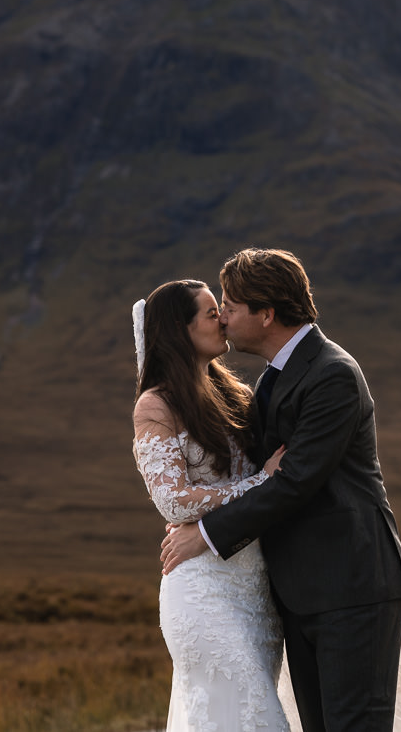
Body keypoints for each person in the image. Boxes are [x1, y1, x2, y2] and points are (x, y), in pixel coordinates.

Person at [160, 248, 401, 732]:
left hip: (351, 584)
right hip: (301, 590)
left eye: (231, 308)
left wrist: (205, 535)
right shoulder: (273, 379)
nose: (225, 319)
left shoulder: (332, 375)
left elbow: (295, 482)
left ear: (267, 313)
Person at [131, 278, 291, 732]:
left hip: (256, 592)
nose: (222, 318)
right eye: (209, 312)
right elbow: (174, 502)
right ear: (179, 331)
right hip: (203, 591)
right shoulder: (155, 405)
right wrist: (260, 483)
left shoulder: (234, 394)